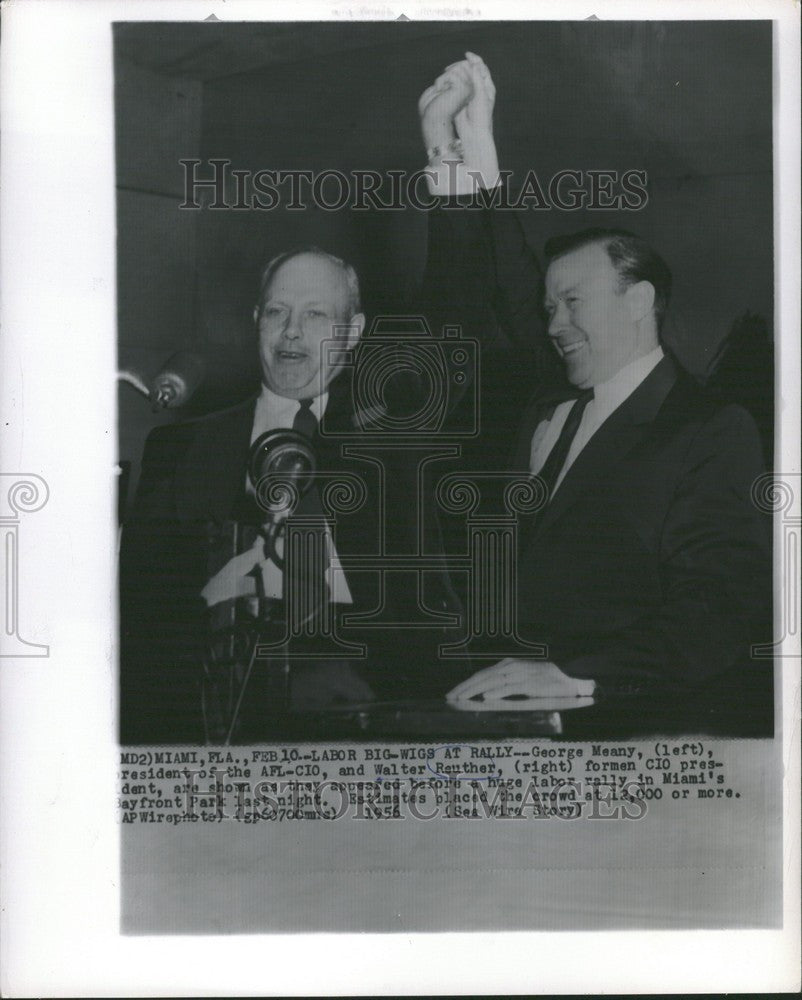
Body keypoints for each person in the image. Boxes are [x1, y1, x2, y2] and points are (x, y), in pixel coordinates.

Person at [418, 55, 772, 732]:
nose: (554, 324)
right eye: (549, 307)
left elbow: (721, 605)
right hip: (496, 710)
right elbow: (503, 281)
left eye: (573, 302)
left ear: (638, 302)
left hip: (623, 728)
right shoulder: (549, 401)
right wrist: (457, 146)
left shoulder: (708, 427)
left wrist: (581, 676)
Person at [119, 248, 468, 743]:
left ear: (353, 331)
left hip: (360, 720)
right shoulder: (179, 448)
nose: (292, 332)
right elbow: (142, 620)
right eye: (278, 312)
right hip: (210, 715)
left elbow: (431, 625)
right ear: (257, 321)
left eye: (316, 314)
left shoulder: (400, 452)